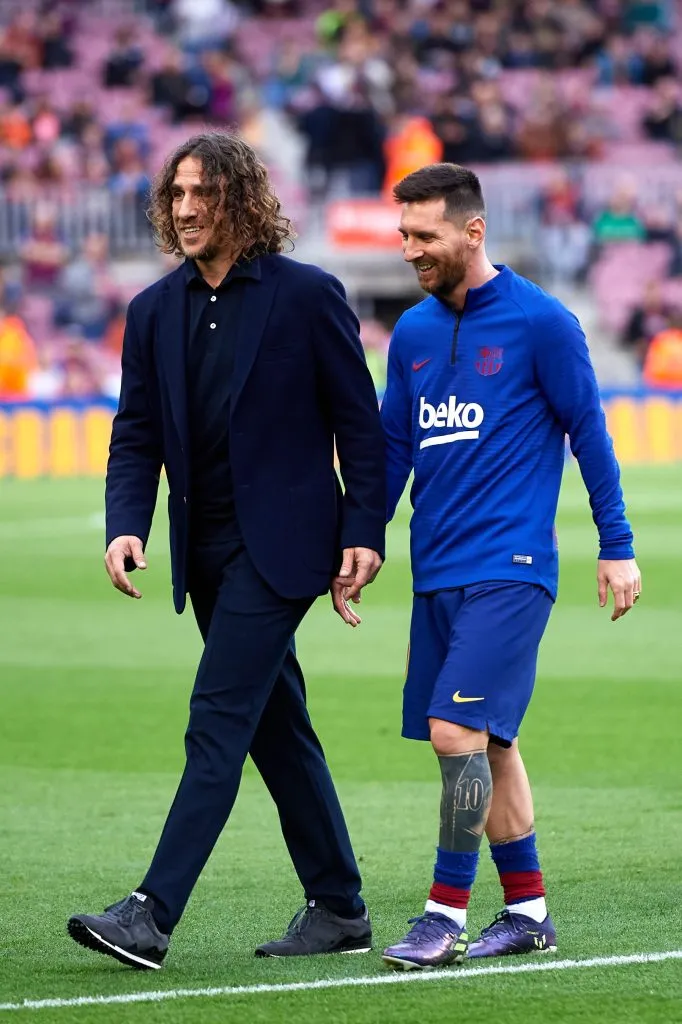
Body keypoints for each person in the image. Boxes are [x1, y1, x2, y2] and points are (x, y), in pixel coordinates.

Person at [67, 130, 385, 970]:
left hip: (283, 550)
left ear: (242, 198)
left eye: (202, 191)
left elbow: (361, 427)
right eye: (176, 194)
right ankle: (340, 907)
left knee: (216, 721)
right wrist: (125, 522)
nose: (186, 208)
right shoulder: (151, 310)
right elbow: (134, 433)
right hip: (202, 553)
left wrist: (363, 533)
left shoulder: (309, 295)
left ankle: (150, 911)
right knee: (277, 729)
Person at [370, 162, 640, 970]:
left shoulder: (542, 323)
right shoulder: (412, 333)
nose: (411, 249)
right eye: (404, 234)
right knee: (489, 744)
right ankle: (528, 913)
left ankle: (442, 914)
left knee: (454, 729)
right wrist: (363, 539)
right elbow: (391, 451)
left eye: (426, 235)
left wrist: (617, 545)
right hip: (437, 572)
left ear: (473, 230)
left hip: (513, 566)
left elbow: (589, 430)